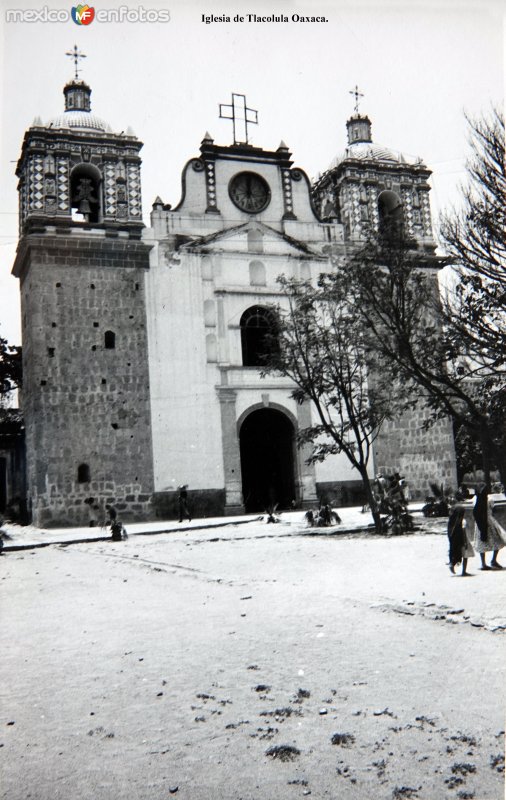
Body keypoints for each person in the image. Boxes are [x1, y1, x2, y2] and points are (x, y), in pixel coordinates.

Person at [472, 484, 506, 570]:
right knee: (498, 540)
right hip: (489, 521)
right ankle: (493, 560)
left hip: (480, 522)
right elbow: (492, 509)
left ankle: (484, 563)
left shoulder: (476, 499)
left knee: (482, 541)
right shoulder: (490, 500)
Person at [447, 502, 474, 576]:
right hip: (462, 540)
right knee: (465, 556)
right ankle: (463, 571)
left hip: (455, 541)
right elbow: (464, 531)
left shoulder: (451, 523)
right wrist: (465, 542)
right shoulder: (461, 522)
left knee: (455, 552)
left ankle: (452, 564)